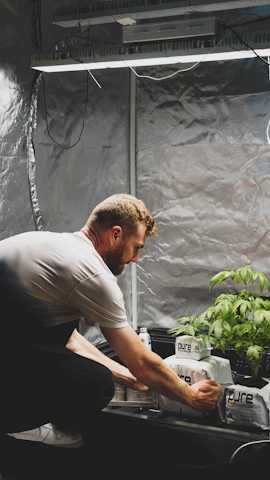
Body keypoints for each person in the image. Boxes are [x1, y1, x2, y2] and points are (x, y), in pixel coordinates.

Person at [0, 193, 221, 449]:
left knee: (59, 331)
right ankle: (19, 423)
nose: (135, 259)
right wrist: (191, 397)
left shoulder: (49, 243)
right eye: (136, 247)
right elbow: (142, 362)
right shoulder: (92, 273)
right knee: (96, 383)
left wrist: (129, 378)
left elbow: (63, 338)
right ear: (115, 234)